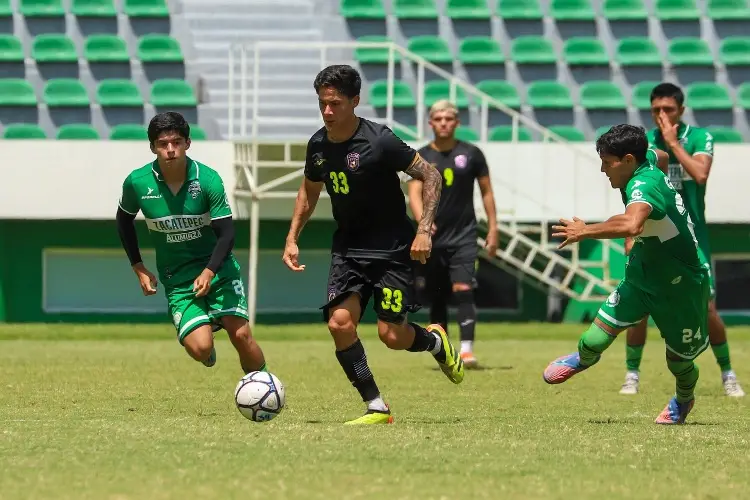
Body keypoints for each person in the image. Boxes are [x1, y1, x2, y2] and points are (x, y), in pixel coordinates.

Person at [282, 65, 464, 425]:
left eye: (335, 104)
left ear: (355, 101)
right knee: (339, 323)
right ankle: (376, 405)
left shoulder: (380, 140)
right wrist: (292, 237)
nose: (328, 112)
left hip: (392, 252)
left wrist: (424, 229)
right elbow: (310, 189)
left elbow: (430, 174)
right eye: (322, 104)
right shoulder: (318, 145)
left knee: (391, 335)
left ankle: (435, 342)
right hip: (348, 250)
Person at [543, 124, 710, 425]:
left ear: (629, 160)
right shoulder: (644, 161)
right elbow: (659, 155)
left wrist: (585, 231)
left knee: (679, 363)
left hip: (681, 284)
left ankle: (684, 400)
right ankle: (583, 359)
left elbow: (632, 224)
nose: (602, 169)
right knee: (593, 340)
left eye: (607, 162)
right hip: (642, 275)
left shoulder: (642, 185)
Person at [116, 112, 268, 374]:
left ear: (188, 143)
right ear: (153, 147)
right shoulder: (137, 183)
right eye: (163, 144)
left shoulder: (208, 180)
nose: (171, 150)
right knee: (200, 348)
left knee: (241, 335)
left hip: (218, 270)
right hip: (177, 277)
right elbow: (123, 220)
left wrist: (209, 271)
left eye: (176, 142)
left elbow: (227, 234)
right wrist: (138, 267)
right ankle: (206, 343)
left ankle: (266, 391)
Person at [618, 82, 744, 397]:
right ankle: (631, 375)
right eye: (656, 110)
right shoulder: (643, 143)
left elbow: (700, 175)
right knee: (640, 303)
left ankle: (728, 373)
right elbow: (634, 187)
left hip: (692, 237)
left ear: (681, 110)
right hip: (653, 236)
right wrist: (631, 232)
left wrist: (674, 144)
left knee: (708, 307)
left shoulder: (700, 138)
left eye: (668, 109)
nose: (661, 115)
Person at [407, 100, 498, 368]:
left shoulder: (472, 154)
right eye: (438, 119)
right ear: (430, 123)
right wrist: (424, 221)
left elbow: (487, 192)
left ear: (457, 123)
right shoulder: (421, 156)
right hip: (432, 238)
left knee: (463, 288)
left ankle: (467, 350)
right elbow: (413, 192)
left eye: (449, 119)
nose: (444, 123)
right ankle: (444, 352)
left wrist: (493, 228)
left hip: (464, 235)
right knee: (437, 294)